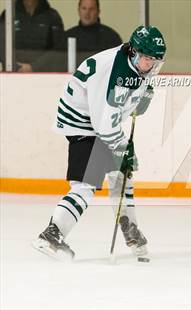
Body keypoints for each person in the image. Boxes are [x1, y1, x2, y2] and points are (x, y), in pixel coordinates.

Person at [32, 25, 166, 261]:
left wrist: (139, 100)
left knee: (120, 176)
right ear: (134, 52)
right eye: (148, 59)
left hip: (96, 122)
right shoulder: (113, 72)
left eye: (155, 61)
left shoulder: (133, 64)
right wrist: (124, 148)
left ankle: (130, 229)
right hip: (83, 125)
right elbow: (104, 126)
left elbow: (117, 112)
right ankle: (51, 235)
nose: (152, 65)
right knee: (86, 185)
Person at [50, 0, 122, 72]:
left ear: (98, 12)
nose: (87, 13)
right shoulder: (67, 37)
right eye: (84, 8)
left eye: (91, 9)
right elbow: (57, 65)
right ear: (78, 11)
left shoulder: (111, 37)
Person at [0, 0, 64, 72]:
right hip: (12, 72)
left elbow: (58, 48)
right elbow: (2, 46)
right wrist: (15, 66)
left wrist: (34, 67)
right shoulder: (8, 13)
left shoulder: (52, 16)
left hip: (44, 74)